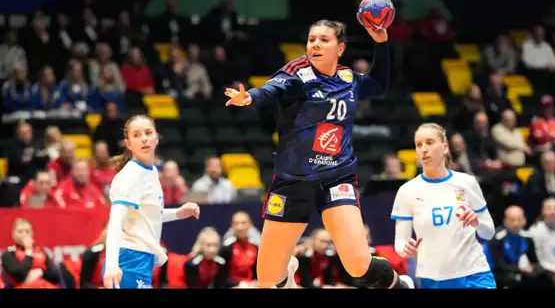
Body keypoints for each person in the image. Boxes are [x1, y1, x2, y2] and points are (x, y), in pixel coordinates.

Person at [225, 19, 412, 289]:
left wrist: (381, 43)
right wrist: (250, 97)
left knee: (358, 264)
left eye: (324, 39)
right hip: (293, 181)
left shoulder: (347, 78)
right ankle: (288, 270)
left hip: (336, 177)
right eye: (312, 39)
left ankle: (401, 285)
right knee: (267, 278)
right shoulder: (297, 73)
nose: (315, 44)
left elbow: (377, 85)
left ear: (340, 48)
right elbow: (271, 89)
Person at [391, 123, 497, 289]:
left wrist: (477, 222)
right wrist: (406, 249)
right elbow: (400, 242)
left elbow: (489, 232)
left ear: (445, 147)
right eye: (419, 145)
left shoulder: (467, 182)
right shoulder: (407, 191)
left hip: (474, 274)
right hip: (433, 279)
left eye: (429, 142)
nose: (423, 149)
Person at [102, 114, 201, 289]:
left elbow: (146, 216)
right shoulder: (129, 175)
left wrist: (178, 213)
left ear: (156, 137)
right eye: (136, 135)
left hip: (143, 259)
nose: (144, 139)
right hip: (128, 258)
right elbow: (116, 222)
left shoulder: (152, 171)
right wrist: (111, 265)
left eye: (148, 133)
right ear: (128, 143)